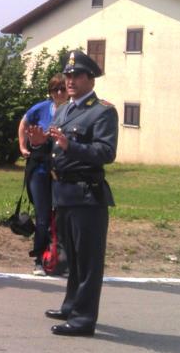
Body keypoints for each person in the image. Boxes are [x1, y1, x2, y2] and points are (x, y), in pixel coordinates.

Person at [27, 50, 118, 337]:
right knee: (73, 258)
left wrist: (71, 146)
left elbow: (106, 152)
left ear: (90, 78)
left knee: (88, 260)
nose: (70, 81)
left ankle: (83, 319)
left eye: (76, 75)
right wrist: (41, 143)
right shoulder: (66, 108)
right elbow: (56, 146)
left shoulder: (102, 111)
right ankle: (71, 305)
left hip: (86, 195)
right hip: (63, 192)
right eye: (67, 76)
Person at [18, 74, 68, 275]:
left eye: (62, 89)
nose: (59, 93)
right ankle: (39, 258)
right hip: (39, 169)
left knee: (62, 216)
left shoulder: (73, 111)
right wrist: (22, 146)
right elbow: (23, 123)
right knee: (42, 215)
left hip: (62, 170)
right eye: (55, 89)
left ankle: (60, 257)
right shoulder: (41, 108)